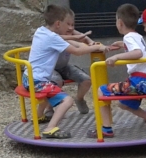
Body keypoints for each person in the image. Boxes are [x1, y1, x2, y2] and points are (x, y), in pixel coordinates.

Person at [26, 4, 104, 139]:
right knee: (67, 101)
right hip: (37, 81)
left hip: (28, 77)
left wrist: (87, 41)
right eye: (67, 24)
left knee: (49, 89)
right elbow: (78, 51)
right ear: (58, 24)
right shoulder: (53, 38)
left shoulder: (41, 31)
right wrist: (97, 48)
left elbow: (73, 38)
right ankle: (50, 128)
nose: (71, 28)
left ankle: (38, 116)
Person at [95, 3, 146, 137]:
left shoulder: (128, 37)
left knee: (101, 90)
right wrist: (123, 45)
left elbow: (138, 52)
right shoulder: (137, 36)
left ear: (120, 23)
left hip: (138, 83)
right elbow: (138, 49)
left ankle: (106, 129)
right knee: (124, 104)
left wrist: (116, 57)